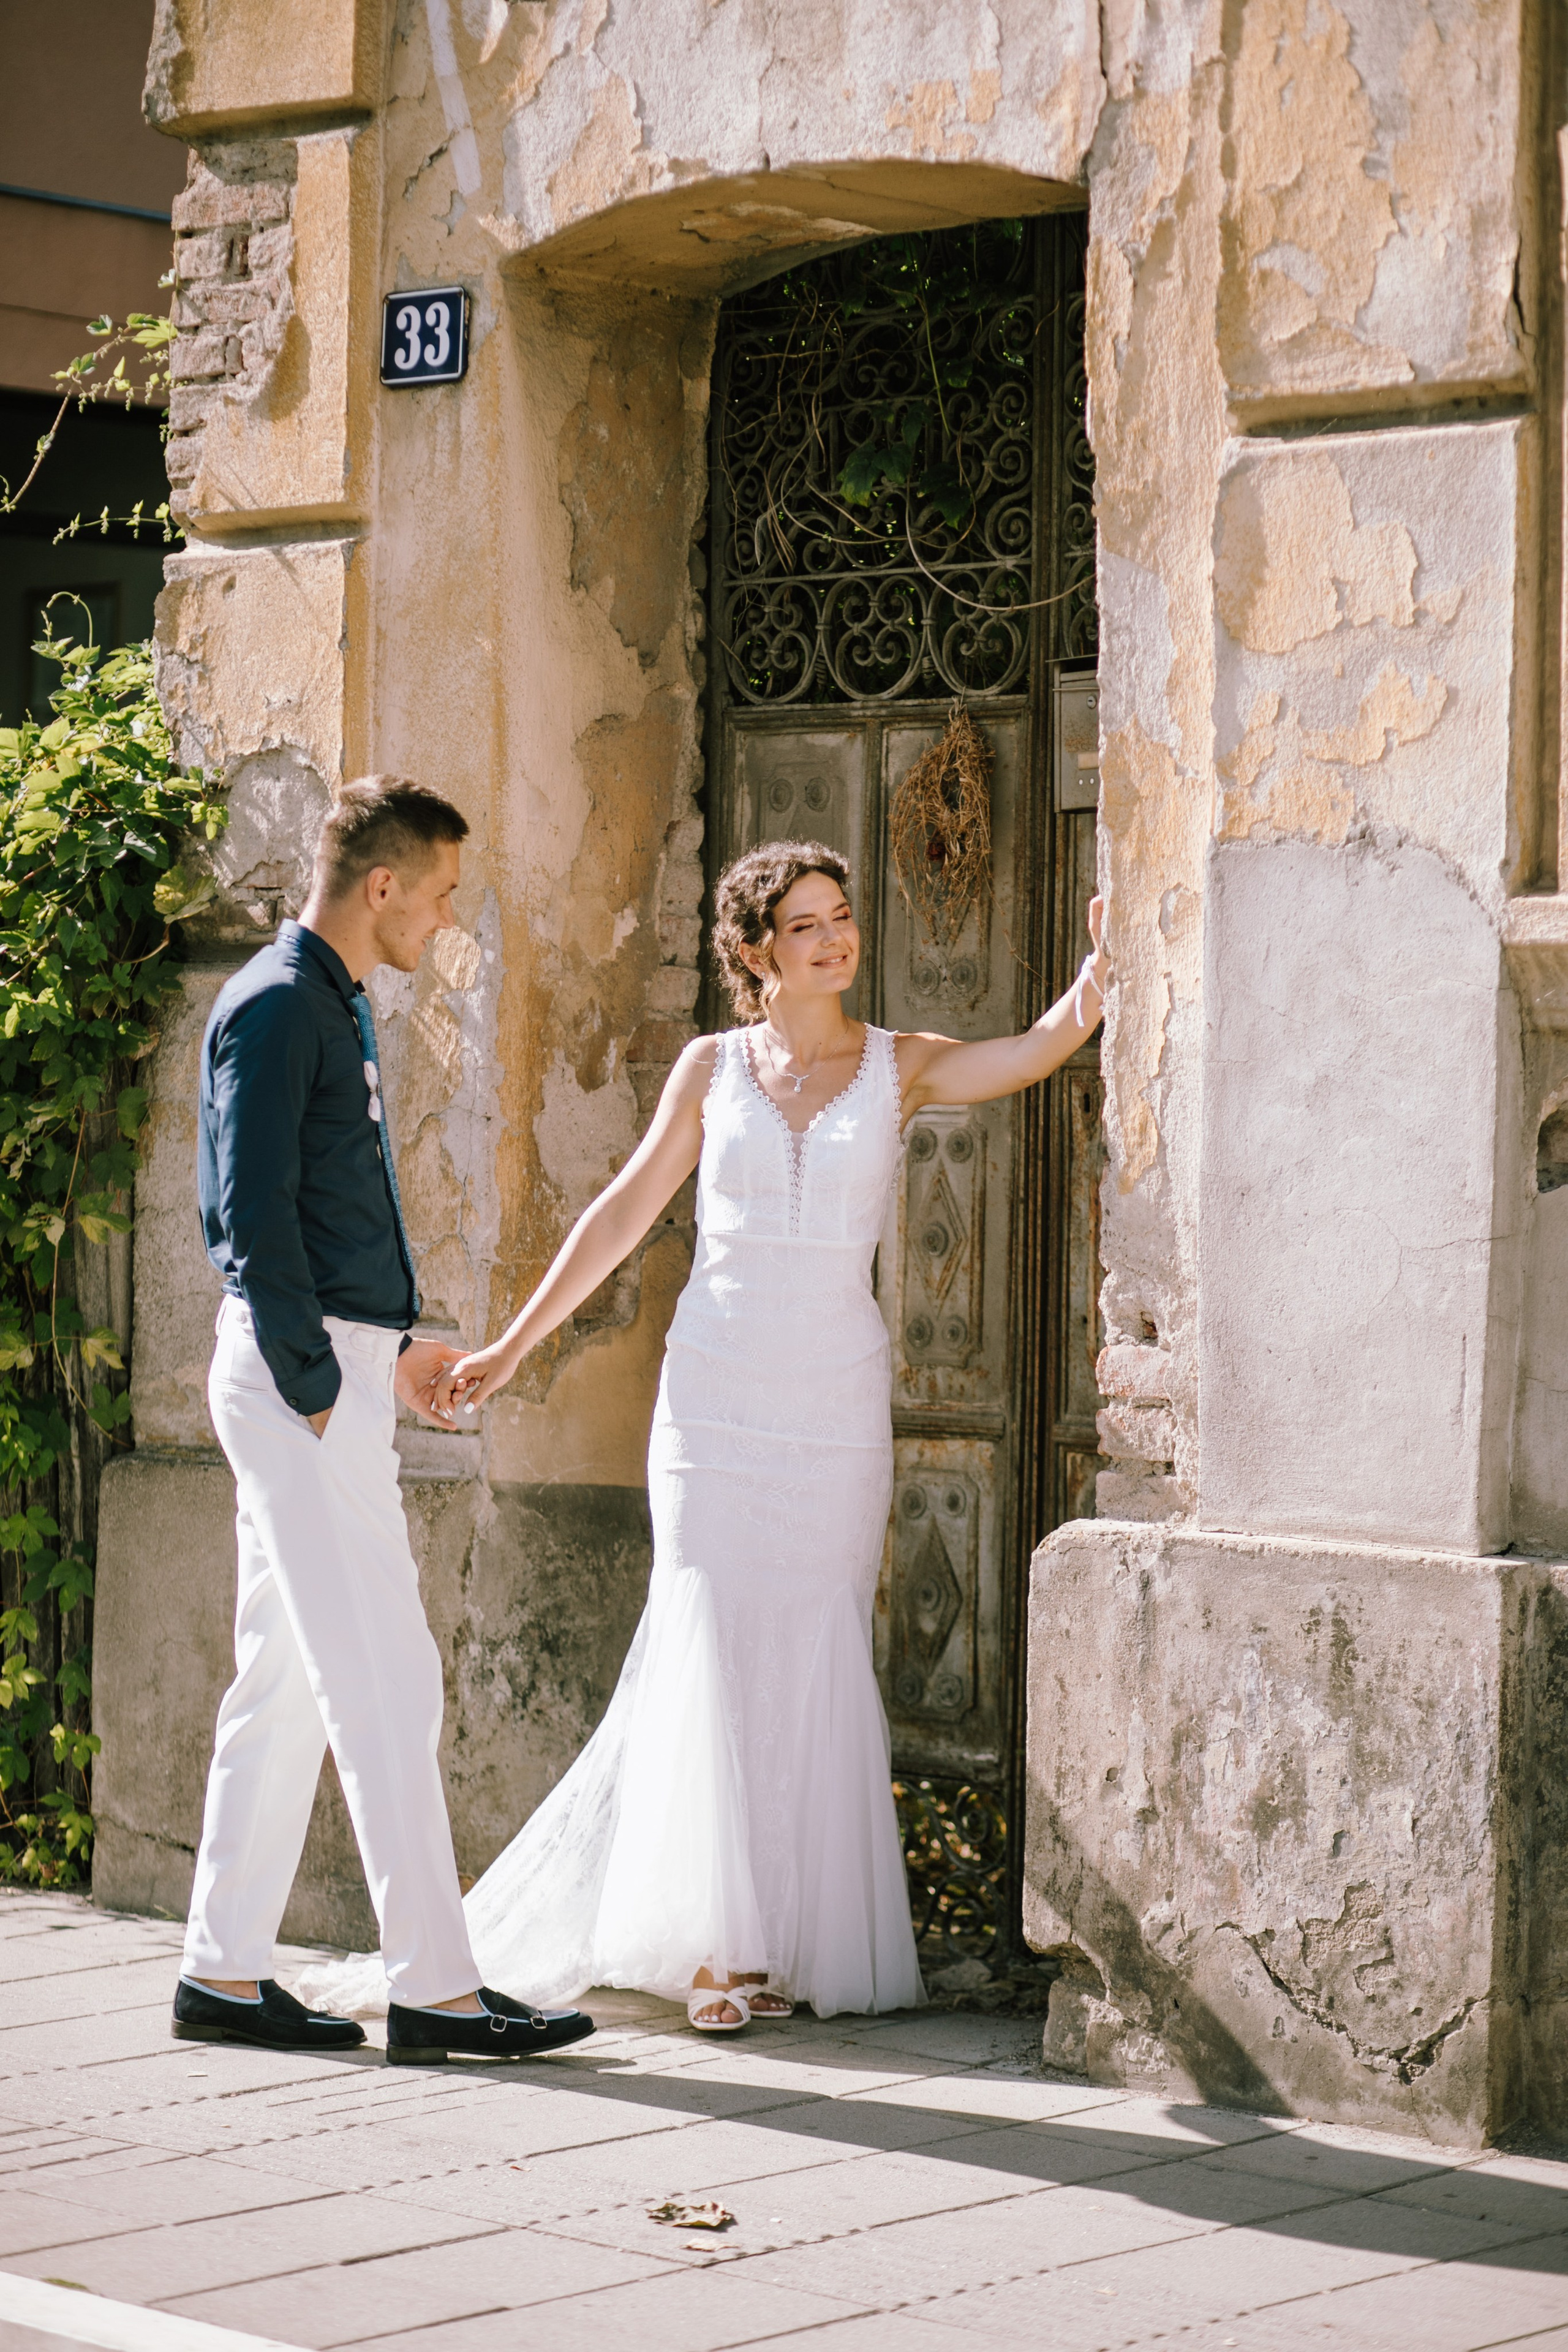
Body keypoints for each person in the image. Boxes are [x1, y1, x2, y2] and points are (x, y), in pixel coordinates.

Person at [297, 837, 1107, 2032]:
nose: (834, 939)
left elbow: (1032, 1051)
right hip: (713, 1394)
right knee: (711, 1636)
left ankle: (787, 1942)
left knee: (813, 1637)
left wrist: (1101, 972)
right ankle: (720, 1952)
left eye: (841, 916)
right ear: (754, 950)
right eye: (805, 924)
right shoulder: (710, 1069)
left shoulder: (902, 1064)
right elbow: (623, 1210)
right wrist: (511, 1349)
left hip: (832, 1399)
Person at [174, 777, 594, 2067]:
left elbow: (320, 1211)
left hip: (328, 1372)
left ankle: (222, 1974)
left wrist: (391, 1354)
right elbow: (252, 1217)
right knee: (386, 1677)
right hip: (299, 1385)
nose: (447, 917)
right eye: (442, 893)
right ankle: (437, 1991)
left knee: (286, 1682)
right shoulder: (278, 1002)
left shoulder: (329, 998)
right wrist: (321, 1383)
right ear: (383, 885)